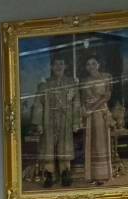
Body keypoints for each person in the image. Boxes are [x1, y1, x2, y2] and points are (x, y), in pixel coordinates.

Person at [29, 54, 78, 188]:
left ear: (65, 66)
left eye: (61, 64)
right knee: (48, 148)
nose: (58, 67)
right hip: (48, 120)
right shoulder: (44, 85)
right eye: (56, 64)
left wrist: (75, 122)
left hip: (65, 119)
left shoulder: (71, 84)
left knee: (65, 147)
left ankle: (65, 174)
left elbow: (76, 104)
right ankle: (49, 175)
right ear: (51, 67)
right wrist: (39, 123)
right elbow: (38, 105)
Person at [80, 54, 117, 186]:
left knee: (101, 143)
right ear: (85, 67)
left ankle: (103, 175)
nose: (91, 66)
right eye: (88, 64)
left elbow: (107, 96)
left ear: (99, 65)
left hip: (100, 113)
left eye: (93, 63)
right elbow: (83, 99)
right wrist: (85, 111)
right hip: (89, 115)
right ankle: (92, 175)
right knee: (91, 143)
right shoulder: (84, 81)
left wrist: (93, 108)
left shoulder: (106, 77)